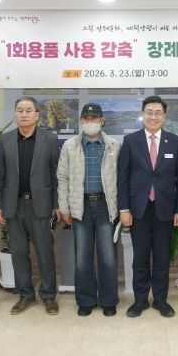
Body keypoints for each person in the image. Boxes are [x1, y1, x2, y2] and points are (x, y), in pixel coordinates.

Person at [117, 95, 178, 318]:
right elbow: (122, 178)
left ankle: (160, 300)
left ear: (164, 116)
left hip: (165, 209)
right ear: (142, 114)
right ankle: (140, 300)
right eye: (149, 112)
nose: (153, 117)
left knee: (161, 257)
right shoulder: (131, 141)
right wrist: (124, 209)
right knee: (139, 258)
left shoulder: (175, 142)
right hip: (138, 209)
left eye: (158, 113)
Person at [0, 96, 61, 315]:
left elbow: (55, 173)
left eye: (28, 110)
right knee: (19, 253)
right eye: (20, 110)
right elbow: (0, 176)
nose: (24, 114)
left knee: (45, 252)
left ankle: (48, 296)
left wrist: (56, 204)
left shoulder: (49, 139)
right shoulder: (4, 141)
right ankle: (25, 295)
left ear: (37, 115)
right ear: (15, 114)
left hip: (40, 205)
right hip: (14, 206)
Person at [57, 103, 121, 317]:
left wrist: (121, 208)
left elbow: (121, 179)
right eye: (87, 119)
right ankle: (86, 300)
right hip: (80, 206)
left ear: (102, 121)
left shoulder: (114, 145)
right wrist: (64, 208)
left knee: (108, 257)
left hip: (106, 206)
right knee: (82, 257)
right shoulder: (70, 146)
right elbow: (62, 178)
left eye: (94, 119)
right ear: (81, 121)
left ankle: (109, 300)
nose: (90, 122)